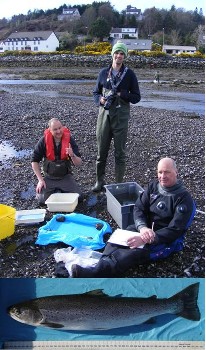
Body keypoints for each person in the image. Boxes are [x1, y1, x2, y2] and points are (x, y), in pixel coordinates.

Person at [71, 157, 196, 277]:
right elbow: (138, 208)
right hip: (145, 229)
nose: (163, 176)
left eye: (167, 172)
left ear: (176, 172)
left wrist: (147, 238)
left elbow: (176, 230)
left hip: (164, 241)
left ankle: (97, 272)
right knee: (116, 239)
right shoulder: (153, 186)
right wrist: (142, 228)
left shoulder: (184, 200)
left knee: (131, 253)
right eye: (160, 172)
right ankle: (102, 263)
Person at [92, 41, 141, 192]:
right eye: (117, 53)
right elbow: (95, 93)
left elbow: (136, 97)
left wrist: (121, 94)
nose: (119, 56)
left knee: (120, 153)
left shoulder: (129, 75)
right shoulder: (102, 73)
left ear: (124, 56)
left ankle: (118, 183)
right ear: (112, 54)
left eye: (122, 54)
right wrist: (100, 100)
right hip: (104, 117)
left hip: (121, 118)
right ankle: (99, 181)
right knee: (101, 152)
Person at [31, 118, 82, 205]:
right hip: (49, 177)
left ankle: (59, 191)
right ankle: (57, 191)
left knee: (79, 197)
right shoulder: (43, 140)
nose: (58, 131)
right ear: (50, 130)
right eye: (55, 129)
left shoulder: (69, 140)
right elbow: (34, 161)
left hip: (65, 177)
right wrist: (40, 180)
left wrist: (72, 155)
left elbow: (79, 163)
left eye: (60, 128)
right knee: (42, 200)